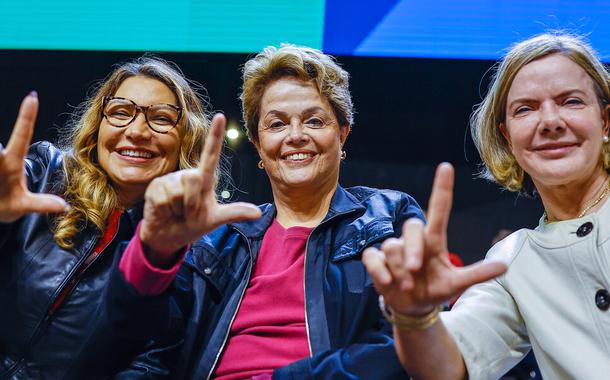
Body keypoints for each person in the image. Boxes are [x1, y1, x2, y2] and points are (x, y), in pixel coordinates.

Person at [109, 44, 425, 379]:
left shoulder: (387, 215)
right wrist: (152, 254)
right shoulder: (218, 242)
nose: (296, 136)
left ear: (342, 134)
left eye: (314, 121)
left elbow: (404, 345)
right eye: (276, 124)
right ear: (259, 145)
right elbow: (150, 353)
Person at [362, 32, 610, 379]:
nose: (551, 121)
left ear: (605, 120)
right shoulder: (511, 261)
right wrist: (415, 317)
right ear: (508, 138)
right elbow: (445, 367)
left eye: (571, 101)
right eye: (526, 109)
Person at [0, 56, 217, 378]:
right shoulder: (44, 173)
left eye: (161, 118)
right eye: (120, 113)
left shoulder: (183, 248)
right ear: (97, 126)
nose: (137, 131)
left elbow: (152, 363)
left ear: (187, 139)